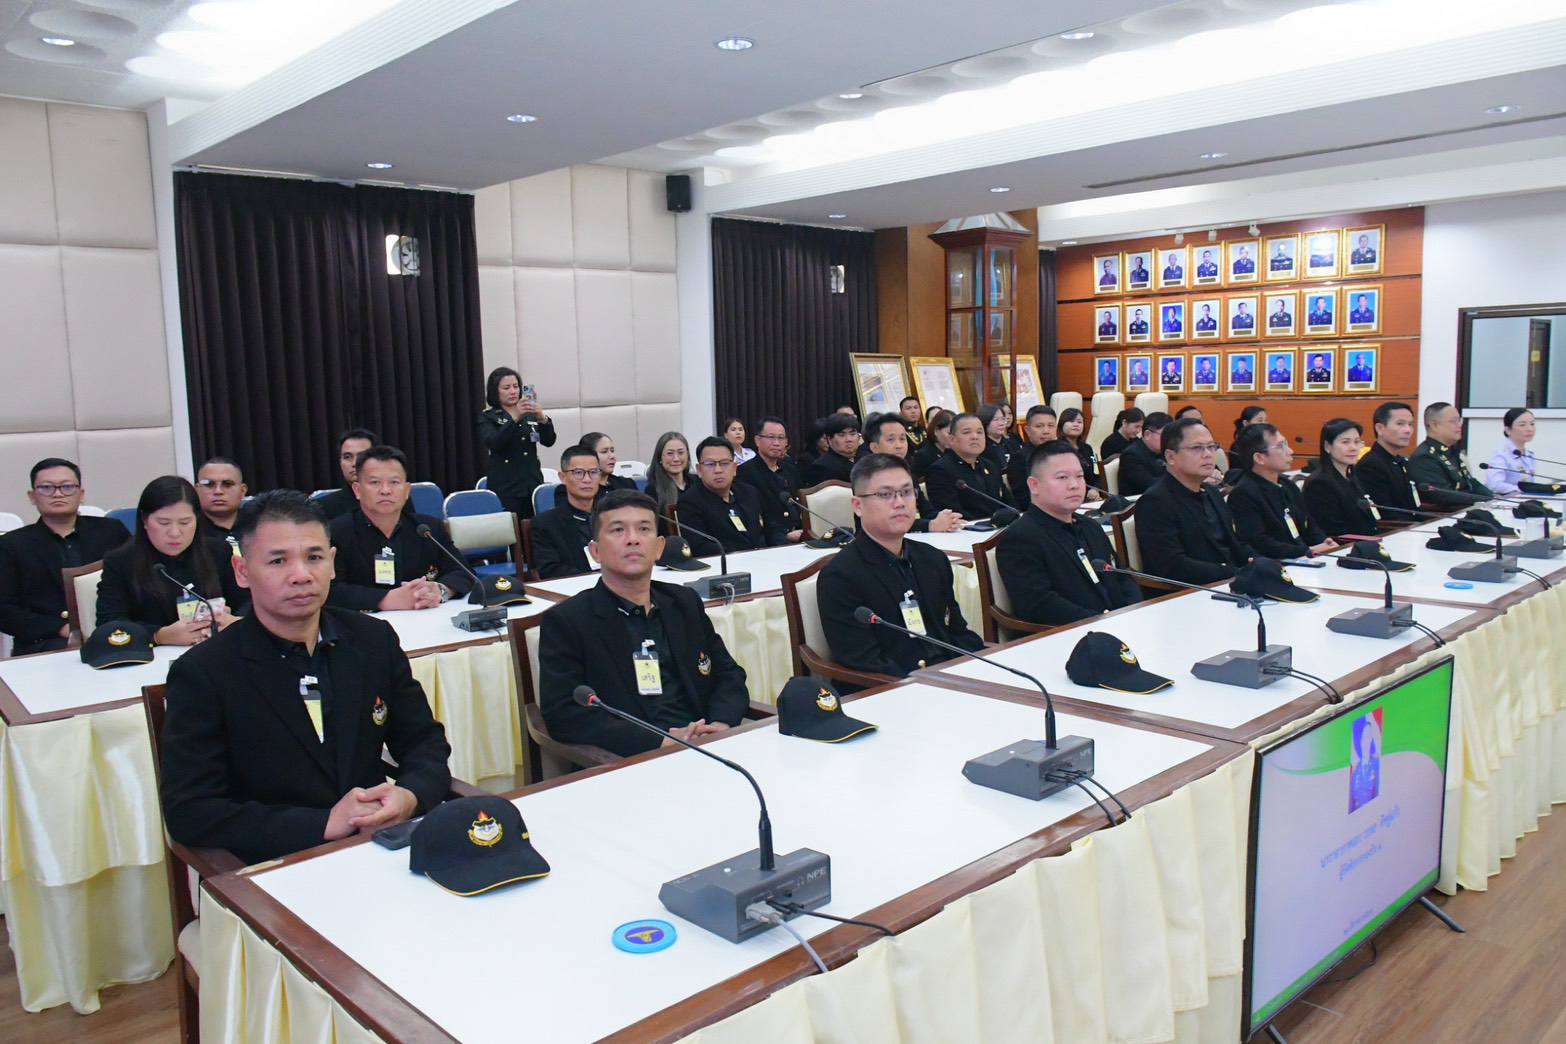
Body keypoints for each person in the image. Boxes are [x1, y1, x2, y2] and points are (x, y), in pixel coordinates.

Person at [159, 491, 452, 864]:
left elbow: (424, 741)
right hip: (275, 863)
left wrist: (409, 795)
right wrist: (322, 824)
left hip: (377, 847)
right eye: (278, 561)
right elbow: (190, 810)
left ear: (332, 563)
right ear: (242, 571)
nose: (301, 575)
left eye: (314, 557)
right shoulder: (204, 671)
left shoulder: (372, 639)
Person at [538, 490, 748, 756]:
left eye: (644, 529)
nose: (633, 539)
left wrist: (719, 725)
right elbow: (564, 713)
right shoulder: (568, 621)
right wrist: (658, 742)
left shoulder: (683, 603)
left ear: (659, 547)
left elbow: (728, 673)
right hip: (632, 758)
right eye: (618, 530)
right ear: (595, 551)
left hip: (706, 744)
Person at [816, 454, 982, 679]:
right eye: (885, 494)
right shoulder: (841, 576)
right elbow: (863, 661)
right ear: (858, 506)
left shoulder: (932, 559)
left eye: (906, 492)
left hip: (951, 677)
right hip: (892, 687)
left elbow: (957, 632)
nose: (900, 503)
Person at [996, 441, 1140, 626]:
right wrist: (1101, 621)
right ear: (1034, 485)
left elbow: (1121, 576)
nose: (1074, 485)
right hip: (1074, 633)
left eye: (1079, 476)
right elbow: (1039, 605)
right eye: (1062, 477)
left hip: (1122, 624)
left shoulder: (1090, 526)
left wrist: (1133, 612)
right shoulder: (1019, 539)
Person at [0, 458, 129, 655]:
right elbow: (5, 610)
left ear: (81, 494)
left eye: (67, 487)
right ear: (32, 496)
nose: (58, 493)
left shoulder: (111, 531)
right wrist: (62, 629)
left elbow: (137, 581)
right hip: (45, 644)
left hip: (114, 635)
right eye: (46, 488)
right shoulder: (11, 545)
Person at [97, 476, 245, 643]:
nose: (175, 533)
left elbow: (249, 603)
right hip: (153, 655)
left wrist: (233, 621)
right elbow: (108, 624)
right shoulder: (120, 562)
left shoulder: (219, 552)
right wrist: (159, 635)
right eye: (164, 523)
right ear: (144, 520)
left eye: (185, 522)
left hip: (214, 648)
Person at [326, 445, 472, 611]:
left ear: (407, 490)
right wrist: (384, 599)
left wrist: (440, 590)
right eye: (375, 482)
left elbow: (463, 572)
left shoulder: (427, 529)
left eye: (394, 482)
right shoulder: (336, 533)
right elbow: (330, 589)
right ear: (357, 490)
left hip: (423, 619)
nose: (385, 490)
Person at [1134, 418, 1255, 583]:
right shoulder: (1155, 502)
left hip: (1231, 581)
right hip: (1194, 590)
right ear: (1171, 456)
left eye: (1211, 446)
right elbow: (1172, 566)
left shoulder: (1212, 492)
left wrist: (1257, 562)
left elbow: (1234, 542)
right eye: (1197, 448)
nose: (1208, 454)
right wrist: (1236, 573)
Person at [1228, 424, 1339, 559]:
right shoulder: (1243, 494)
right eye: (1281, 446)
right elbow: (1260, 543)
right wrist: (1307, 551)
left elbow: (1309, 524)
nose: (1290, 451)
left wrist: (1325, 542)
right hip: (1281, 563)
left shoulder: (1288, 485)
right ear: (1259, 458)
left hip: (1306, 557)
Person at [477, 366, 556, 518]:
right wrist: (514, 418)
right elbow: (494, 443)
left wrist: (542, 419)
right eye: (506, 388)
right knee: (512, 528)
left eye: (516, 386)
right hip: (506, 486)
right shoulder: (488, 417)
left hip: (532, 482)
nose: (513, 391)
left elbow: (549, 441)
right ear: (495, 391)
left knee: (536, 526)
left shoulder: (529, 414)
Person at [676, 437, 775, 555]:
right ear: (699, 470)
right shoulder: (689, 502)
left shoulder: (749, 493)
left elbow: (771, 529)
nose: (718, 470)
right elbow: (699, 546)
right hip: (724, 563)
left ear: (734, 468)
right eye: (710, 464)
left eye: (724, 463)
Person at [865, 414, 964, 533]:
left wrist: (946, 518)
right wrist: (929, 525)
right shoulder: (867, 479)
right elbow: (886, 521)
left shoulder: (908, 475)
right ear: (874, 447)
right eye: (891, 440)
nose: (899, 445)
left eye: (902, 439)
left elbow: (926, 511)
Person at [531, 446, 603, 578]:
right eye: (578, 473)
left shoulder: (611, 516)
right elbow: (549, 569)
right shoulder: (546, 523)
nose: (587, 479)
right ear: (562, 477)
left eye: (593, 472)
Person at [1303, 419, 1383, 538]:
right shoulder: (1319, 484)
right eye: (1345, 442)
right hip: (1347, 546)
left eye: (1357, 442)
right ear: (1327, 446)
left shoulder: (1352, 476)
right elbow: (1332, 532)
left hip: (1369, 542)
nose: (1353, 448)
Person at [925, 413, 1014, 519]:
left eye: (979, 432)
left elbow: (1009, 503)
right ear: (952, 439)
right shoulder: (940, 471)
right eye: (967, 432)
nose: (975, 437)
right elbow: (952, 513)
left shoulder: (990, 466)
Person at [1408, 402, 1493, 508]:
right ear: (1434, 425)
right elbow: (1443, 495)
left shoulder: (1452, 451)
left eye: (1459, 420)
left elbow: (1470, 482)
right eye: (1453, 421)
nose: (1459, 425)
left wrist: (1493, 498)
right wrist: (1483, 500)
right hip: (1448, 513)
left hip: (1467, 508)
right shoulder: (1424, 457)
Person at [737, 416, 805, 542]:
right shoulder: (745, 473)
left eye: (781, 438)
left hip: (800, 535)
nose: (776, 443)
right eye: (771, 437)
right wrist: (785, 536)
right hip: (771, 541)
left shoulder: (790, 468)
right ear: (757, 440)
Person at [1353, 402, 1419, 516]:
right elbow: (1386, 513)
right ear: (1380, 428)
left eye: (1410, 424)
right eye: (1400, 424)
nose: (1408, 430)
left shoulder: (1401, 461)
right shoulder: (1371, 466)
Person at [314, 428, 378, 520]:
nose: (354, 463)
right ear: (340, 462)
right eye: (347, 457)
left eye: (362, 456)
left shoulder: (393, 500)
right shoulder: (321, 508)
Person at [1486, 408, 1542, 496]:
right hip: (1506, 501)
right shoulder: (1501, 455)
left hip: (1526, 499)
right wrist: (1521, 490)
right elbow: (1494, 485)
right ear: (1508, 430)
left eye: (1532, 424)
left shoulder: (1530, 454)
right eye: (1522, 425)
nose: (1529, 429)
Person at [1007, 405, 1057, 505]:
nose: (1046, 431)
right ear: (1027, 430)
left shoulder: (1063, 454)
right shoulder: (1020, 458)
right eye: (1039, 426)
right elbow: (1023, 498)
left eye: (1050, 425)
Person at [646, 431, 693, 533]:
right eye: (670, 453)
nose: (676, 459)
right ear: (660, 458)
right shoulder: (653, 490)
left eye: (681, 453)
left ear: (688, 456)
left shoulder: (697, 483)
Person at [1116, 412, 1170, 496]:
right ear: (1147, 434)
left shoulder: (1165, 452)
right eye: (1164, 435)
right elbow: (1149, 486)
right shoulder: (1131, 455)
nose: (1169, 440)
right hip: (1138, 501)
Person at [195, 457, 247, 545]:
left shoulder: (260, 527)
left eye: (227, 484)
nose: (218, 491)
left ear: (242, 491)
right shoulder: (189, 533)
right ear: (197, 490)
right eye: (209, 484)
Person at [803, 414, 862, 486]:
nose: (849, 439)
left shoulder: (865, 460)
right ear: (829, 439)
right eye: (842, 435)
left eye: (852, 434)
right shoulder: (822, 468)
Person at [1057, 408, 1104, 497]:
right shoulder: (1056, 449)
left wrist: (1095, 489)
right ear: (1061, 425)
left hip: (1092, 496)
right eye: (1071, 421)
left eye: (1079, 422)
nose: (1076, 425)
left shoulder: (1088, 448)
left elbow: (1096, 473)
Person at [911, 408, 955, 481]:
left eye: (956, 433)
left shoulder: (956, 452)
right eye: (949, 433)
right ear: (936, 431)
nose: (953, 437)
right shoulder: (923, 456)